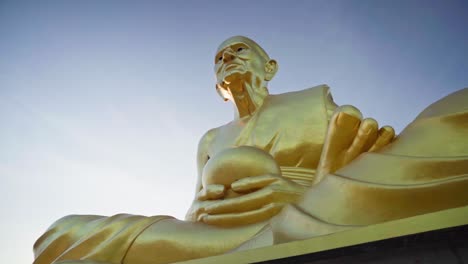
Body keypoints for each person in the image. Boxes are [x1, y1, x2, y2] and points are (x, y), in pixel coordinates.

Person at [33, 36, 468, 264]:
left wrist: (315, 187)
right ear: (217, 85)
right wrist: (206, 210)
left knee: (454, 116)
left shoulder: (313, 101)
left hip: (319, 206)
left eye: (239, 50)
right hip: (222, 235)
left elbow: (359, 146)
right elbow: (192, 215)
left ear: (269, 66)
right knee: (66, 233)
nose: (228, 59)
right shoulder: (209, 139)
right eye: (220, 58)